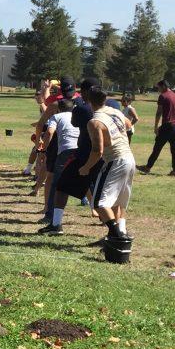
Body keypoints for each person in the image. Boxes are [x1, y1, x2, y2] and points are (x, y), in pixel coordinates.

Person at [40, 76, 101, 235]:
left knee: (60, 186)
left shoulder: (81, 109)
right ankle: (114, 227)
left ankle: (55, 223)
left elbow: (73, 123)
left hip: (82, 153)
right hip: (105, 156)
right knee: (99, 189)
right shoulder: (112, 109)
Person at [78, 86, 136, 242]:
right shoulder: (115, 111)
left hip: (116, 161)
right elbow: (129, 126)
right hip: (129, 158)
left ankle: (118, 236)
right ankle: (117, 233)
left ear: (88, 100)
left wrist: (86, 168)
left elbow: (98, 151)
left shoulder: (94, 122)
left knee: (98, 203)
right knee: (118, 201)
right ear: (105, 100)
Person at [39, 98, 79, 223]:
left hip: (66, 152)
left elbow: (50, 132)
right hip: (80, 149)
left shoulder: (56, 117)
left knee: (55, 184)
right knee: (87, 180)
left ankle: (50, 215)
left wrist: (43, 150)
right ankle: (104, 216)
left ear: (58, 108)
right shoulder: (76, 116)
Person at [138, 79, 175, 176]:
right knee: (174, 148)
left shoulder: (163, 96)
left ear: (164, 86)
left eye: (159, 88)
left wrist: (156, 126)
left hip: (167, 125)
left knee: (157, 147)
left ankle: (147, 167)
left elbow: (159, 112)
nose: (158, 90)